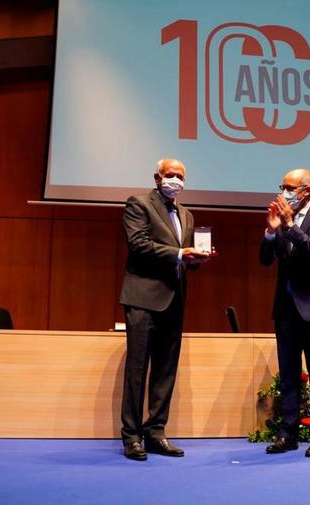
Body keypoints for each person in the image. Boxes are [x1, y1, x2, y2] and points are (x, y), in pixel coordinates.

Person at [119, 158, 212, 461]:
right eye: (170, 175)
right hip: (144, 298)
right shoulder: (139, 204)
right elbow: (139, 244)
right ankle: (132, 437)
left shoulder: (186, 214)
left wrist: (194, 260)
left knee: (165, 371)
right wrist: (179, 253)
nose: (175, 180)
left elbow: (183, 259)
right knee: (137, 371)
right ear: (157, 177)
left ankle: (156, 432)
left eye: (180, 176)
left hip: (175, 299)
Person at [259, 168, 310, 458]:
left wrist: (290, 225)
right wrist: (270, 231)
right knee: (289, 374)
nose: (284, 192)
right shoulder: (280, 220)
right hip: (286, 307)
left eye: (290, 187)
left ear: (306, 191)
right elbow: (265, 260)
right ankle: (288, 434)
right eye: (282, 186)